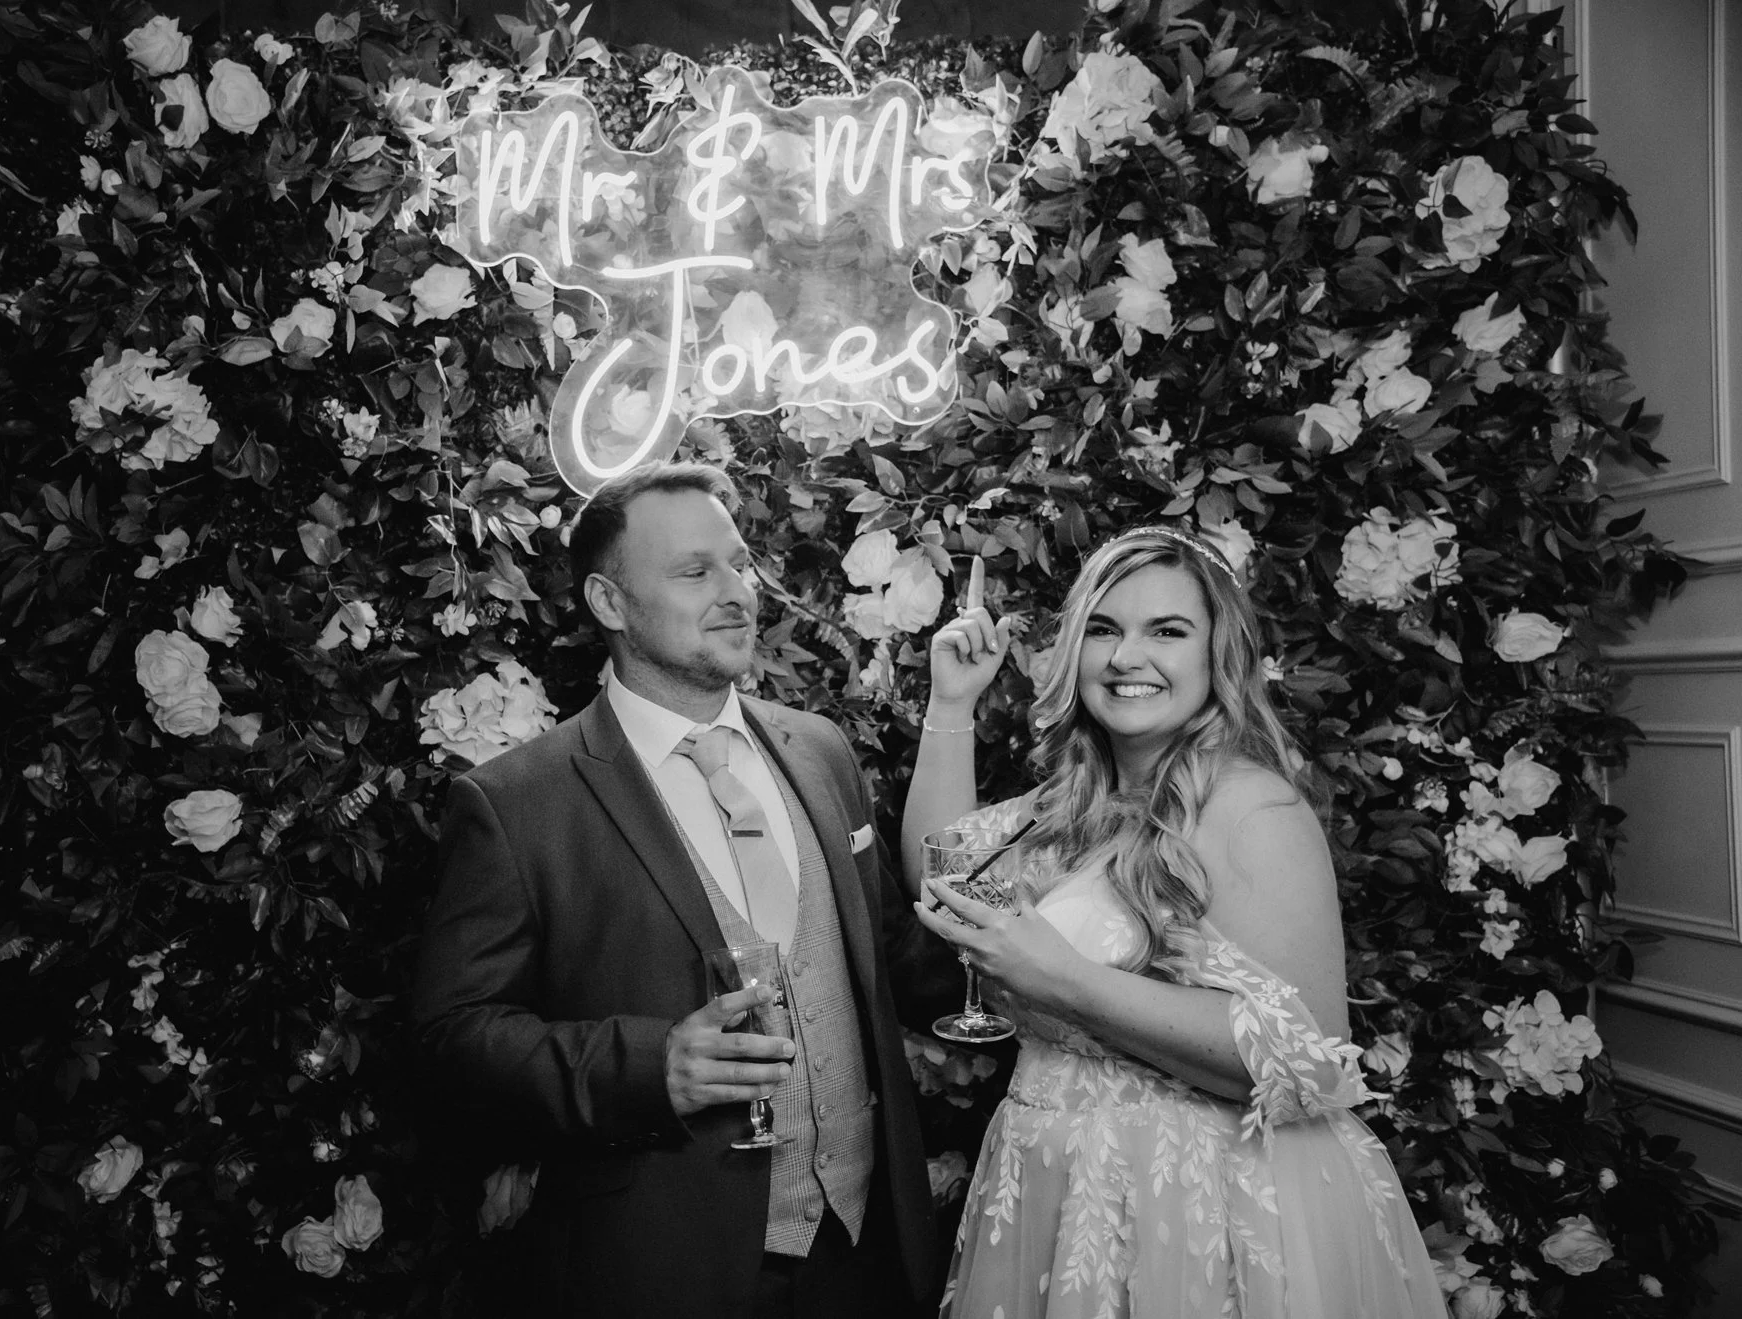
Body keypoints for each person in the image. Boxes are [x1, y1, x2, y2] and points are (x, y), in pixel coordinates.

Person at [410, 462, 950, 1319]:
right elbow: (452, 1040)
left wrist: (1042, 968)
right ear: (610, 602)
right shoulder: (516, 804)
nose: (738, 592)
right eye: (696, 572)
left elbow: (888, 953)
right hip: (667, 1269)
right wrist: (648, 1067)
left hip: (865, 1258)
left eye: (740, 563)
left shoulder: (821, 751)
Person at [902, 528, 1446, 1319]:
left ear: (1217, 653)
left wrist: (1064, 980)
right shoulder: (1065, 807)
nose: (1127, 656)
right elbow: (943, 869)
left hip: (1199, 1210)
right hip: (1058, 1196)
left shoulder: (1254, 808)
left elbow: (1307, 1061)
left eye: (1167, 630)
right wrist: (951, 702)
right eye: (1104, 628)